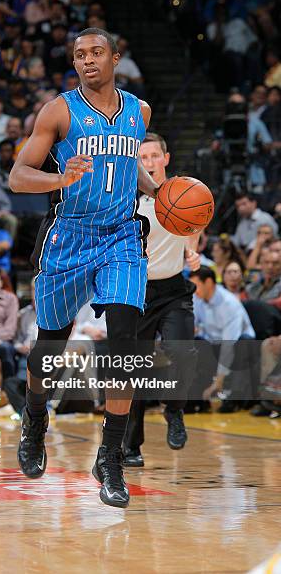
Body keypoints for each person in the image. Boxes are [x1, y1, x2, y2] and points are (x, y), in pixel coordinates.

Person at [9, 27, 157, 508]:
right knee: (49, 350)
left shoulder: (140, 112)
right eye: (79, 55)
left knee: (124, 347)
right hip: (68, 236)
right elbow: (17, 176)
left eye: (96, 53)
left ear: (116, 57)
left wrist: (156, 189)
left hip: (119, 237)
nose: (87, 61)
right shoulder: (58, 110)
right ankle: (35, 417)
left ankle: (110, 458)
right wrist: (59, 175)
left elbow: (129, 159)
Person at [123, 134, 200, 467]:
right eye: (143, 157)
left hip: (173, 290)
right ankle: (130, 446)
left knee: (184, 351)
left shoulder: (184, 192)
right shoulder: (129, 197)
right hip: (137, 292)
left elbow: (195, 222)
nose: (150, 162)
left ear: (166, 158)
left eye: (155, 155)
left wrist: (191, 249)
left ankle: (174, 410)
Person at [189, 267, 256, 411]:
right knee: (195, 343)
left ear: (208, 282)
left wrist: (219, 380)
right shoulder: (197, 299)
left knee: (244, 344)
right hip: (215, 344)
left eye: (196, 285)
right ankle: (196, 400)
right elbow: (193, 325)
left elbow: (229, 344)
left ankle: (234, 400)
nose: (194, 290)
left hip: (238, 345)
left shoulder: (229, 303)